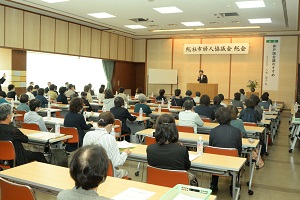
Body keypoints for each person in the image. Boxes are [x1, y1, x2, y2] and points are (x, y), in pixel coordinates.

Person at [147, 114, 197, 186]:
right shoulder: (181, 150)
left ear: (157, 129)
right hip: (177, 186)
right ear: (174, 129)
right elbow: (187, 167)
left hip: (156, 184)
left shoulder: (150, 148)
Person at [83, 112, 131, 179]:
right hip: (105, 173)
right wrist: (125, 153)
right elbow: (117, 162)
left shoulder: (87, 135)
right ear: (110, 126)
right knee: (126, 172)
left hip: (88, 171)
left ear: (97, 123)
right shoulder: (110, 138)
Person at [209, 107, 242, 193]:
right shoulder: (237, 131)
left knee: (215, 157)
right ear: (230, 117)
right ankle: (233, 186)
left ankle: (214, 183)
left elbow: (211, 148)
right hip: (232, 163)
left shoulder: (213, 131)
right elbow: (239, 150)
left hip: (216, 164)